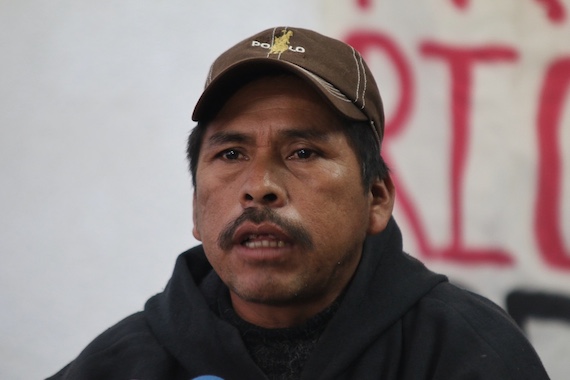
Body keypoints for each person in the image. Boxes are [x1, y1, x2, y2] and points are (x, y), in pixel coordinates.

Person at [47, 26, 549, 380]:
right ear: (196, 209)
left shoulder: (468, 353)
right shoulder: (122, 365)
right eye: (231, 153)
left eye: (303, 152)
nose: (259, 185)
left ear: (376, 198)